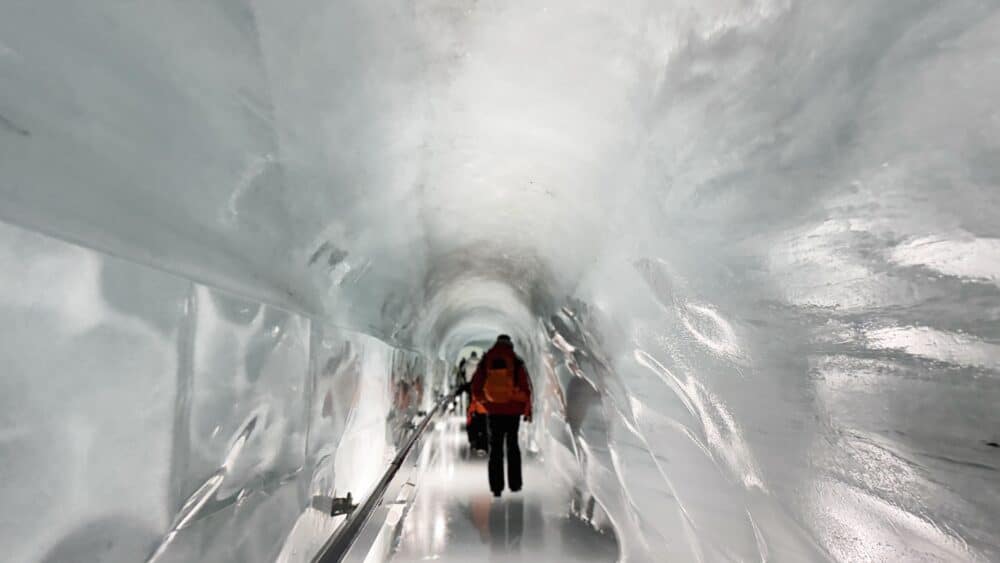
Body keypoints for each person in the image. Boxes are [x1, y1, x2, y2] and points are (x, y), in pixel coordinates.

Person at [471, 335, 533, 497]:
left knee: (495, 448)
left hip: (493, 410)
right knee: (513, 445)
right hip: (513, 411)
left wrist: (485, 401)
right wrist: (526, 409)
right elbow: (526, 388)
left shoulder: (487, 360)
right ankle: (515, 485)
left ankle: (497, 487)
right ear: (510, 345)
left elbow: (476, 385)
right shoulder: (516, 361)